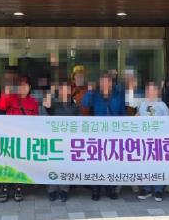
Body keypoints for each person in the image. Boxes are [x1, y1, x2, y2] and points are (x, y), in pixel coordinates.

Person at [82, 73, 125, 201]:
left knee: (111, 162)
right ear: (99, 84)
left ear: (112, 83)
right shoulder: (94, 95)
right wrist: (90, 91)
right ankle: (96, 190)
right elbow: (85, 104)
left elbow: (122, 113)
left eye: (108, 82)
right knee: (97, 163)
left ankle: (110, 189)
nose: (106, 84)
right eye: (103, 82)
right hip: (98, 133)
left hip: (114, 133)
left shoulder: (118, 95)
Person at [0, 76, 39, 202]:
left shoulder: (33, 102)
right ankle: (4, 189)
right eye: (20, 85)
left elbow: (36, 120)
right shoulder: (11, 98)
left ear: (29, 87)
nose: (23, 88)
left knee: (20, 163)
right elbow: (0, 106)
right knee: (6, 163)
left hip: (24, 138)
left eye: (25, 85)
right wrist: (6, 92)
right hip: (9, 137)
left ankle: (18, 189)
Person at [43, 82, 79, 202]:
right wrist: (50, 91)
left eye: (67, 89)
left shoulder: (74, 106)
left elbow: (80, 122)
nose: (65, 92)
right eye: (62, 89)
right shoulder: (54, 104)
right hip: (54, 140)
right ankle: (52, 190)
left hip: (68, 141)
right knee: (53, 165)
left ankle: (64, 190)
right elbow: (46, 104)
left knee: (65, 166)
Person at [136, 82, 169, 202]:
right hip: (144, 141)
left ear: (157, 92)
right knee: (145, 165)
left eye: (152, 90)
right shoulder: (142, 104)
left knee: (158, 165)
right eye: (148, 90)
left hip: (158, 141)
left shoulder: (162, 105)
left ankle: (158, 190)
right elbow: (137, 118)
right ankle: (146, 189)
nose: (149, 93)